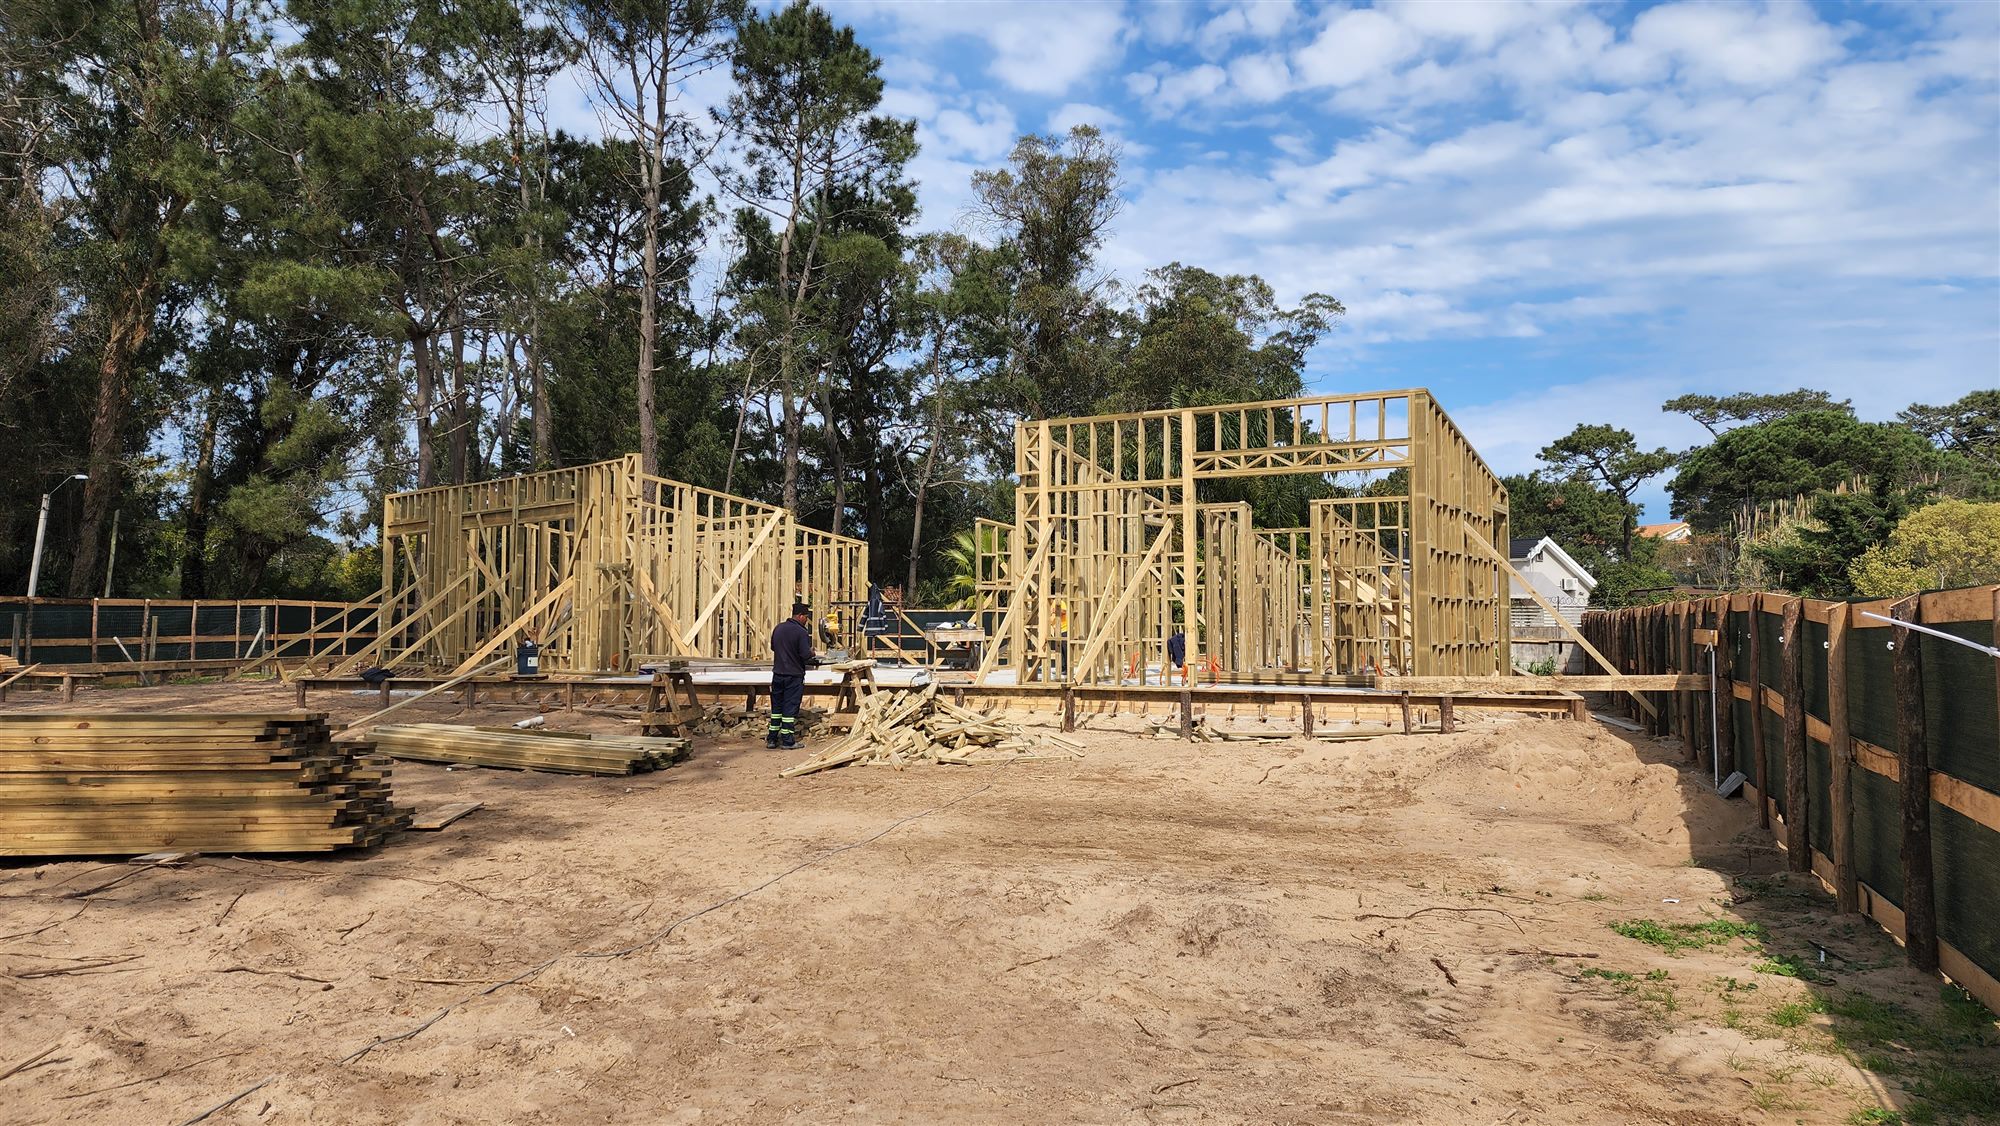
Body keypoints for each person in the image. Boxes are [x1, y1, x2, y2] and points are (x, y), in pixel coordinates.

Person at [769, 601, 819, 749]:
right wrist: (812, 652)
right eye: (806, 617)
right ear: (800, 616)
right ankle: (788, 740)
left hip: (778, 674)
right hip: (794, 675)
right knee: (790, 708)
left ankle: (772, 739)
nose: (806, 621)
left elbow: (773, 647)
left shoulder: (778, 628)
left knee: (776, 708)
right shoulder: (801, 632)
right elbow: (805, 655)